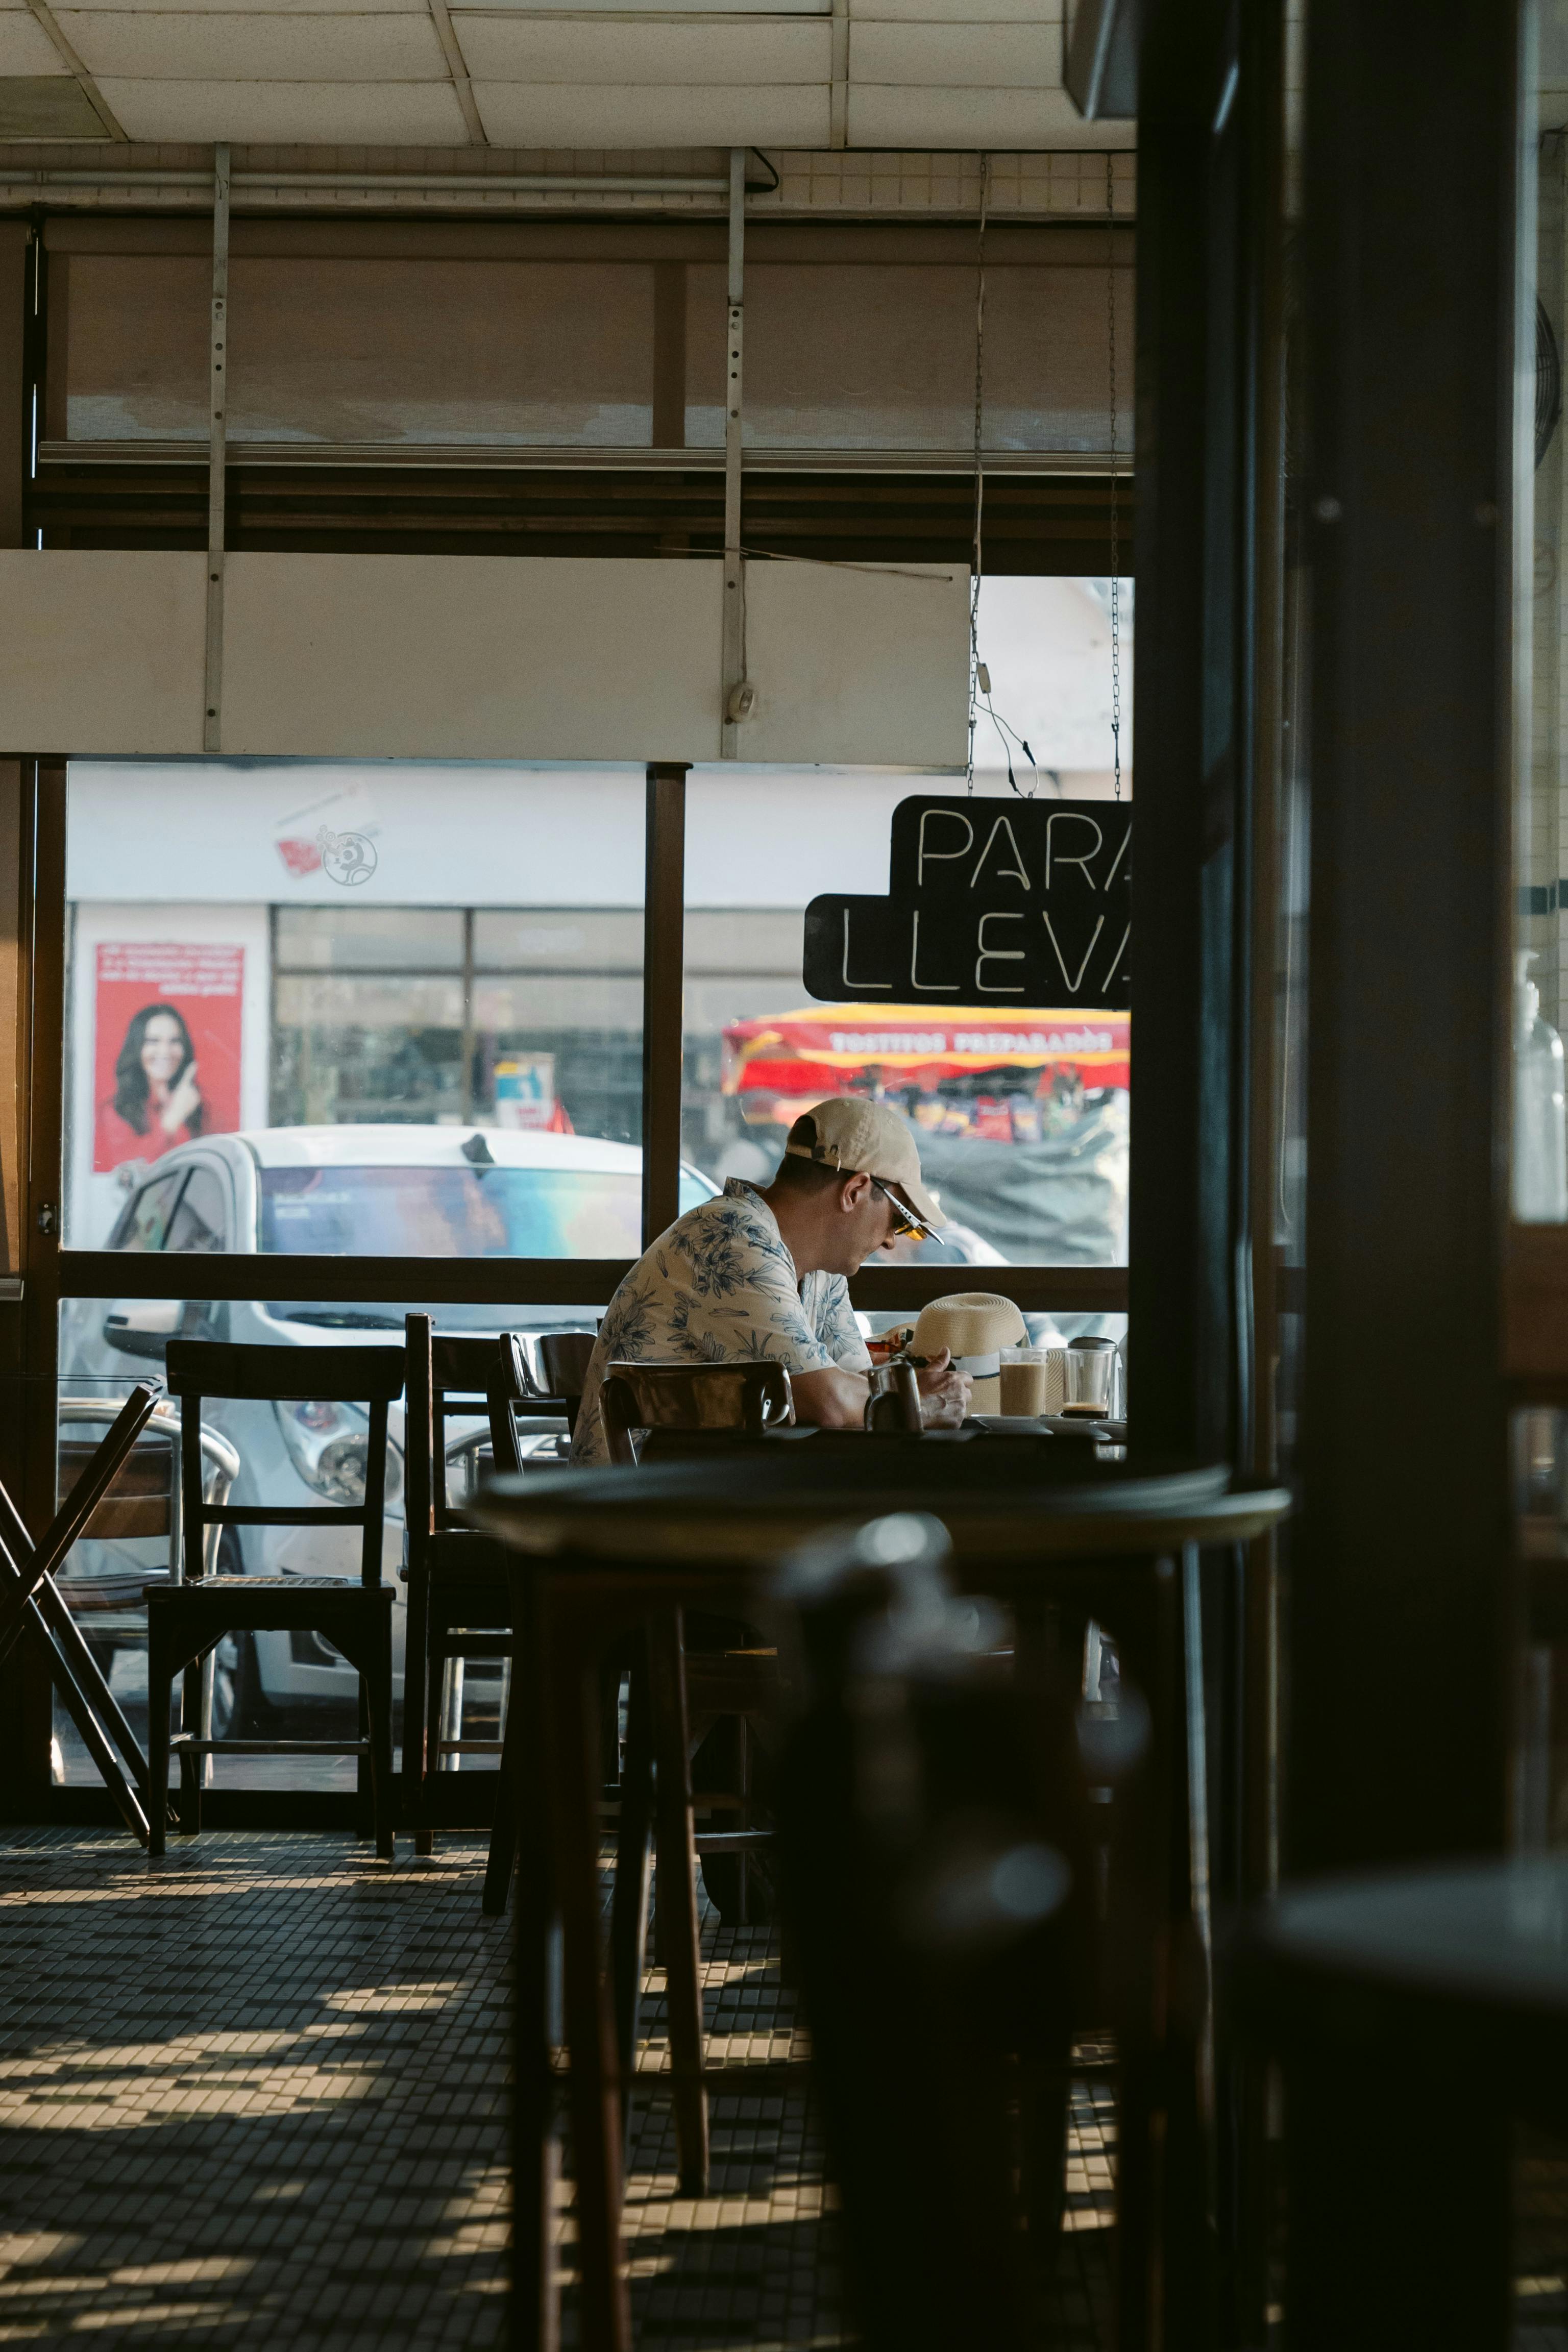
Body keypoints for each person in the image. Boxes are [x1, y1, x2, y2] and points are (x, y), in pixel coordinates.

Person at [571, 1098, 972, 1464]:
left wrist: (910, 1389)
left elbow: (854, 1387)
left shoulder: (819, 1273)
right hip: (632, 1518)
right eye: (902, 1221)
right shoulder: (729, 1237)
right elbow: (832, 1403)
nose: (890, 1240)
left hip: (710, 1505)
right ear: (855, 1191)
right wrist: (920, 1403)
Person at [98, 1003, 205, 1167]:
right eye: (153, 1041)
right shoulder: (117, 1109)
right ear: (137, 1048)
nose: (165, 1051)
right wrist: (172, 1120)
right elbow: (130, 1173)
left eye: (174, 1041)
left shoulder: (195, 1104)